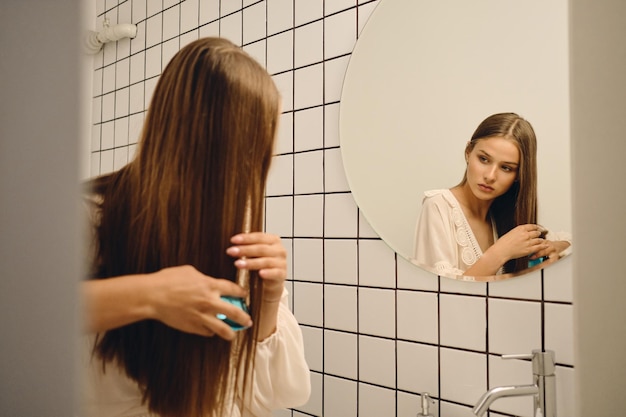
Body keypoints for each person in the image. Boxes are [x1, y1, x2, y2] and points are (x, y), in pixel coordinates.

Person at [81, 37, 310, 417]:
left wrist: (269, 300)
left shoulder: (237, 240)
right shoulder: (91, 216)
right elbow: (24, 317)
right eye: (252, 147)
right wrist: (152, 295)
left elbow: (265, 397)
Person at [411, 112, 571, 279]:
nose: (490, 176)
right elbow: (439, 290)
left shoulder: (504, 214)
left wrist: (554, 247)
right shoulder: (438, 205)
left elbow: (572, 242)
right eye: (484, 159)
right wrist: (500, 252)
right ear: (468, 152)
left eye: (506, 168)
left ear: (518, 175)